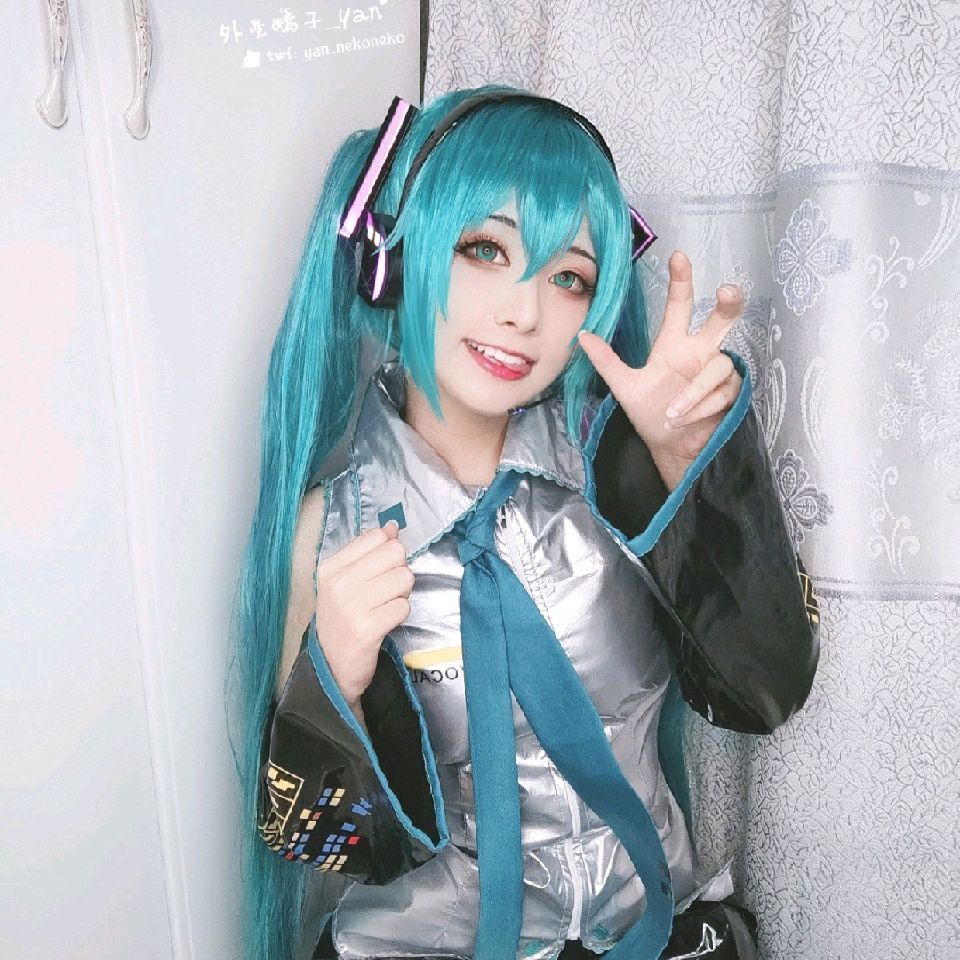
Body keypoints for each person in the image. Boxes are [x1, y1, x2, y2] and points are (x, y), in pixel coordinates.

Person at [229, 84, 820, 960]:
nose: (525, 312)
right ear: (395, 258)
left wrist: (691, 473)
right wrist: (336, 679)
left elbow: (769, 690)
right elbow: (306, 837)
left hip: (650, 929)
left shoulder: (615, 473)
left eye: (568, 277)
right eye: (484, 250)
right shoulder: (333, 528)